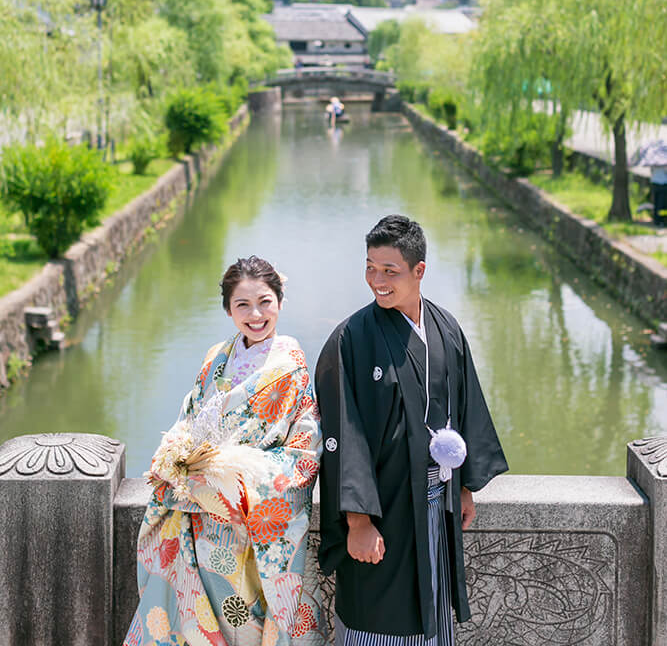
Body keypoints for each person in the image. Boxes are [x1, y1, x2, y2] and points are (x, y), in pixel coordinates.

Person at [315, 215, 508, 646]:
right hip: (384, 509)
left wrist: (464, 487)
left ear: (419, 271)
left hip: (436, 507)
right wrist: (358, 519)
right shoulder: (350, 339)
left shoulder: (446, 329)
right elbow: (344, 435)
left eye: (389, 271)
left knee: (433, 611)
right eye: (369, 267)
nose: (376, 281)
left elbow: (465, 409)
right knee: (377, 618)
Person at [123, 256, 325, 646]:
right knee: (194, 622)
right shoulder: (216, 358)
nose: (256, 314)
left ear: (280, 301)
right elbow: (189, 416)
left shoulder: (292, 366)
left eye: (265, 302)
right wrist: (177, 459)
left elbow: (303, 452)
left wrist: (236, 478)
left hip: (249, 518)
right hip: (199, 516)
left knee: (243, 624)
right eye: (243, 305)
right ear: (229, 309)